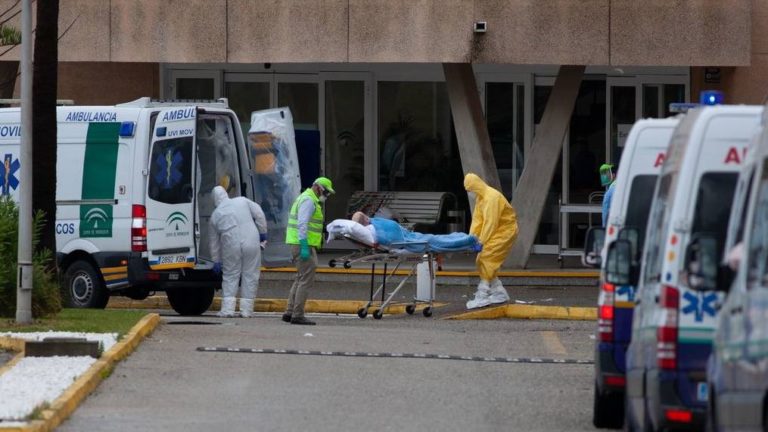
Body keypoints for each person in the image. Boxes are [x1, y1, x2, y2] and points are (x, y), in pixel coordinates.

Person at [209, 186, 268, 318]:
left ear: (214, 199)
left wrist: (216, 260)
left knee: (230, 275)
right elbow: (259, 213)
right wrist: (263, 232)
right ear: (225, 194)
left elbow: (214, 243)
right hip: (252, 241)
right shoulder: (242, 201)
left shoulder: (215, 215)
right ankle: (246, 311)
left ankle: (228, 310)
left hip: (231, 245)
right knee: (250, 274)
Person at [283, 176, 335, 325]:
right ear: (318, 187)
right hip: (302, 245)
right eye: (326, 192)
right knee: (306, 280)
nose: (326, 196)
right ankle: (297, 314)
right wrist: (305, 246)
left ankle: (289, 312)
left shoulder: (306, 198)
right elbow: (302, 224)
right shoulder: (308, 200)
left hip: (298, 243)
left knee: (300, 278)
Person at [464, 173, 518, 309]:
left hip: (505, 231)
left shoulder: (491, 198)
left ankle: (482, 294)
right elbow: (478, 220)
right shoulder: (481, 199)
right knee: (482, 260)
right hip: (496, 231)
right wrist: (471, 238)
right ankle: (498, 292)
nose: (469, 193)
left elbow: (490, 223)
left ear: (475, 187)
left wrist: (481, 241)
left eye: (469, 190)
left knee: (487, 257)